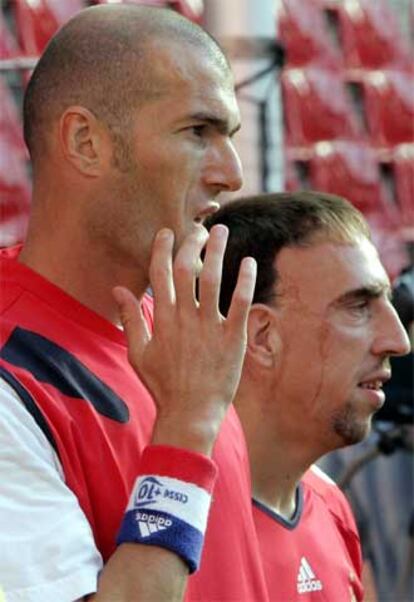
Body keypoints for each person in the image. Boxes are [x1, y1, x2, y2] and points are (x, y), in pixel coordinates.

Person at [0, 5, 268, 602]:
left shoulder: (184, 335)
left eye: (230, 136)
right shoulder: (12, 370)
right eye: (198, 132)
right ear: (86, 143)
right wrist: (188, 427)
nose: (232, 174)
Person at [205, 191, 410, 601]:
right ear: (262, 336)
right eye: (358, 307)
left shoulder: (331, 507)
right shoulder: (169, 528)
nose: (398, 341)